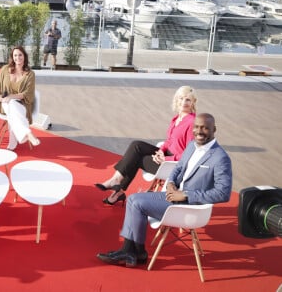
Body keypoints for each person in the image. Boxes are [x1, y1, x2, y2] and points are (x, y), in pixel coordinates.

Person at [96, 113, 232, 268]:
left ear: (214, 129)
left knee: (136, 203)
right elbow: (178, 168)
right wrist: (171, 183)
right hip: (172, 195)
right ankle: (136, 252)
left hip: (189, 206)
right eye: (197, 127)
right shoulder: (192, 146)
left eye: (205, 128)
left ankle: (133, 251)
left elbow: (223, 193)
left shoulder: (220, 158)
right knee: (134, 199)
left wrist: (185, 195)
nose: (199, 131)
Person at [95, 86, 198, 205]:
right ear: (176, 99)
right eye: (181, 98)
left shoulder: (192, 122)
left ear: (193, 102)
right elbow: (170, 141)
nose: (184, 102)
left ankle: (118, 187)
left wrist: (166, 159)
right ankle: (116, 181)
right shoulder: (176, 119)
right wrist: (161, 151)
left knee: (137, 159)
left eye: (188, 100)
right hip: (165, 156)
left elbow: (189, 154)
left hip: (174, 165)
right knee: (136, 145)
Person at [0, 46, 40, 150]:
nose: (18, 57)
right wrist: (0, 97)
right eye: (15, 55)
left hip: (22, 104)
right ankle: (27, 133)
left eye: (20, 55)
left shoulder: (30, 74)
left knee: (12, 106)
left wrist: (11, 97)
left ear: (24, 57)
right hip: (4, 103)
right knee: (10, 104)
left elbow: (28, 93)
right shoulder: (5, 69)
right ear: (12, 57)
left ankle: (13, 143)